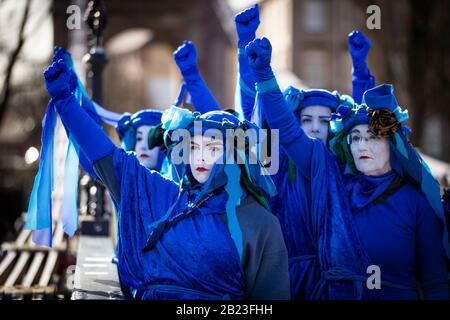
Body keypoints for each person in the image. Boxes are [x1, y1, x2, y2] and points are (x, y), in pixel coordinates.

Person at [42, 58, 290, 300]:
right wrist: (65, 101)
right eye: (193, 146)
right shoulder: (163, 195)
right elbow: (107, 158)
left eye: (213, 148)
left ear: (236, 155)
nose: (200, 157)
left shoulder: (261, 224)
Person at [245, 36, 449, 300]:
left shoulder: (416, 202)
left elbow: (436, 284)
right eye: (355, 138)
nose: (363, 145)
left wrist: (360, 70)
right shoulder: (335, 184)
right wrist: (263, 74)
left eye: (373, 138)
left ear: (392, 145)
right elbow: (289, 133)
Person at [233, 5, 374, 299]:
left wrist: (360, 72)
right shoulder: (277, 160)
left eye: (324, 121)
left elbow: (363, 123)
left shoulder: (342, 165)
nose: (315, 128)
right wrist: (245, 47)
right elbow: (253, 115)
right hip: (282, 280)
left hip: (330, 285)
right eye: (306, 120)